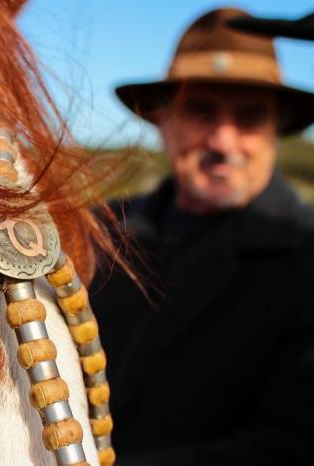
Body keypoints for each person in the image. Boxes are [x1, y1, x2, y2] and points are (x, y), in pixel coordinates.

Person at [90, 8, 314, 465]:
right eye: (201, 111)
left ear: (275, 130)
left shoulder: (306, 254)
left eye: (249, 117)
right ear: (161, 118)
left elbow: (294, 447)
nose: (223, 141)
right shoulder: (98, 232)